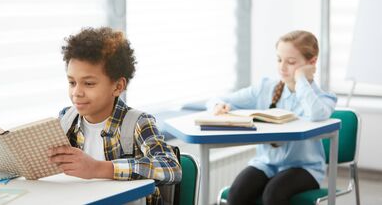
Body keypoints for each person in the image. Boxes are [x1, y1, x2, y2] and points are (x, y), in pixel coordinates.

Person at [48, 27, 182, 205]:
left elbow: (171, 168)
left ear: (118, 86)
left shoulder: (138, 123)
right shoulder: (67, 119)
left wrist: (98, 168)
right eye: (72, 82)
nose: (76, 92)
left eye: (88, 83)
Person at [209, 30, 337, 205]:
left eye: (291, 62)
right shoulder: (264, 88)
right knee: (236, 193)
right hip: (266, 164)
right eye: (279, 59)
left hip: (305, 169)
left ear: (312, 62)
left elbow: (316, 114)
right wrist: (218, 106)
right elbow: (218, 99)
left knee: (273, 195)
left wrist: (300, 79)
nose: (282, 67)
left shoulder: (323, 98)